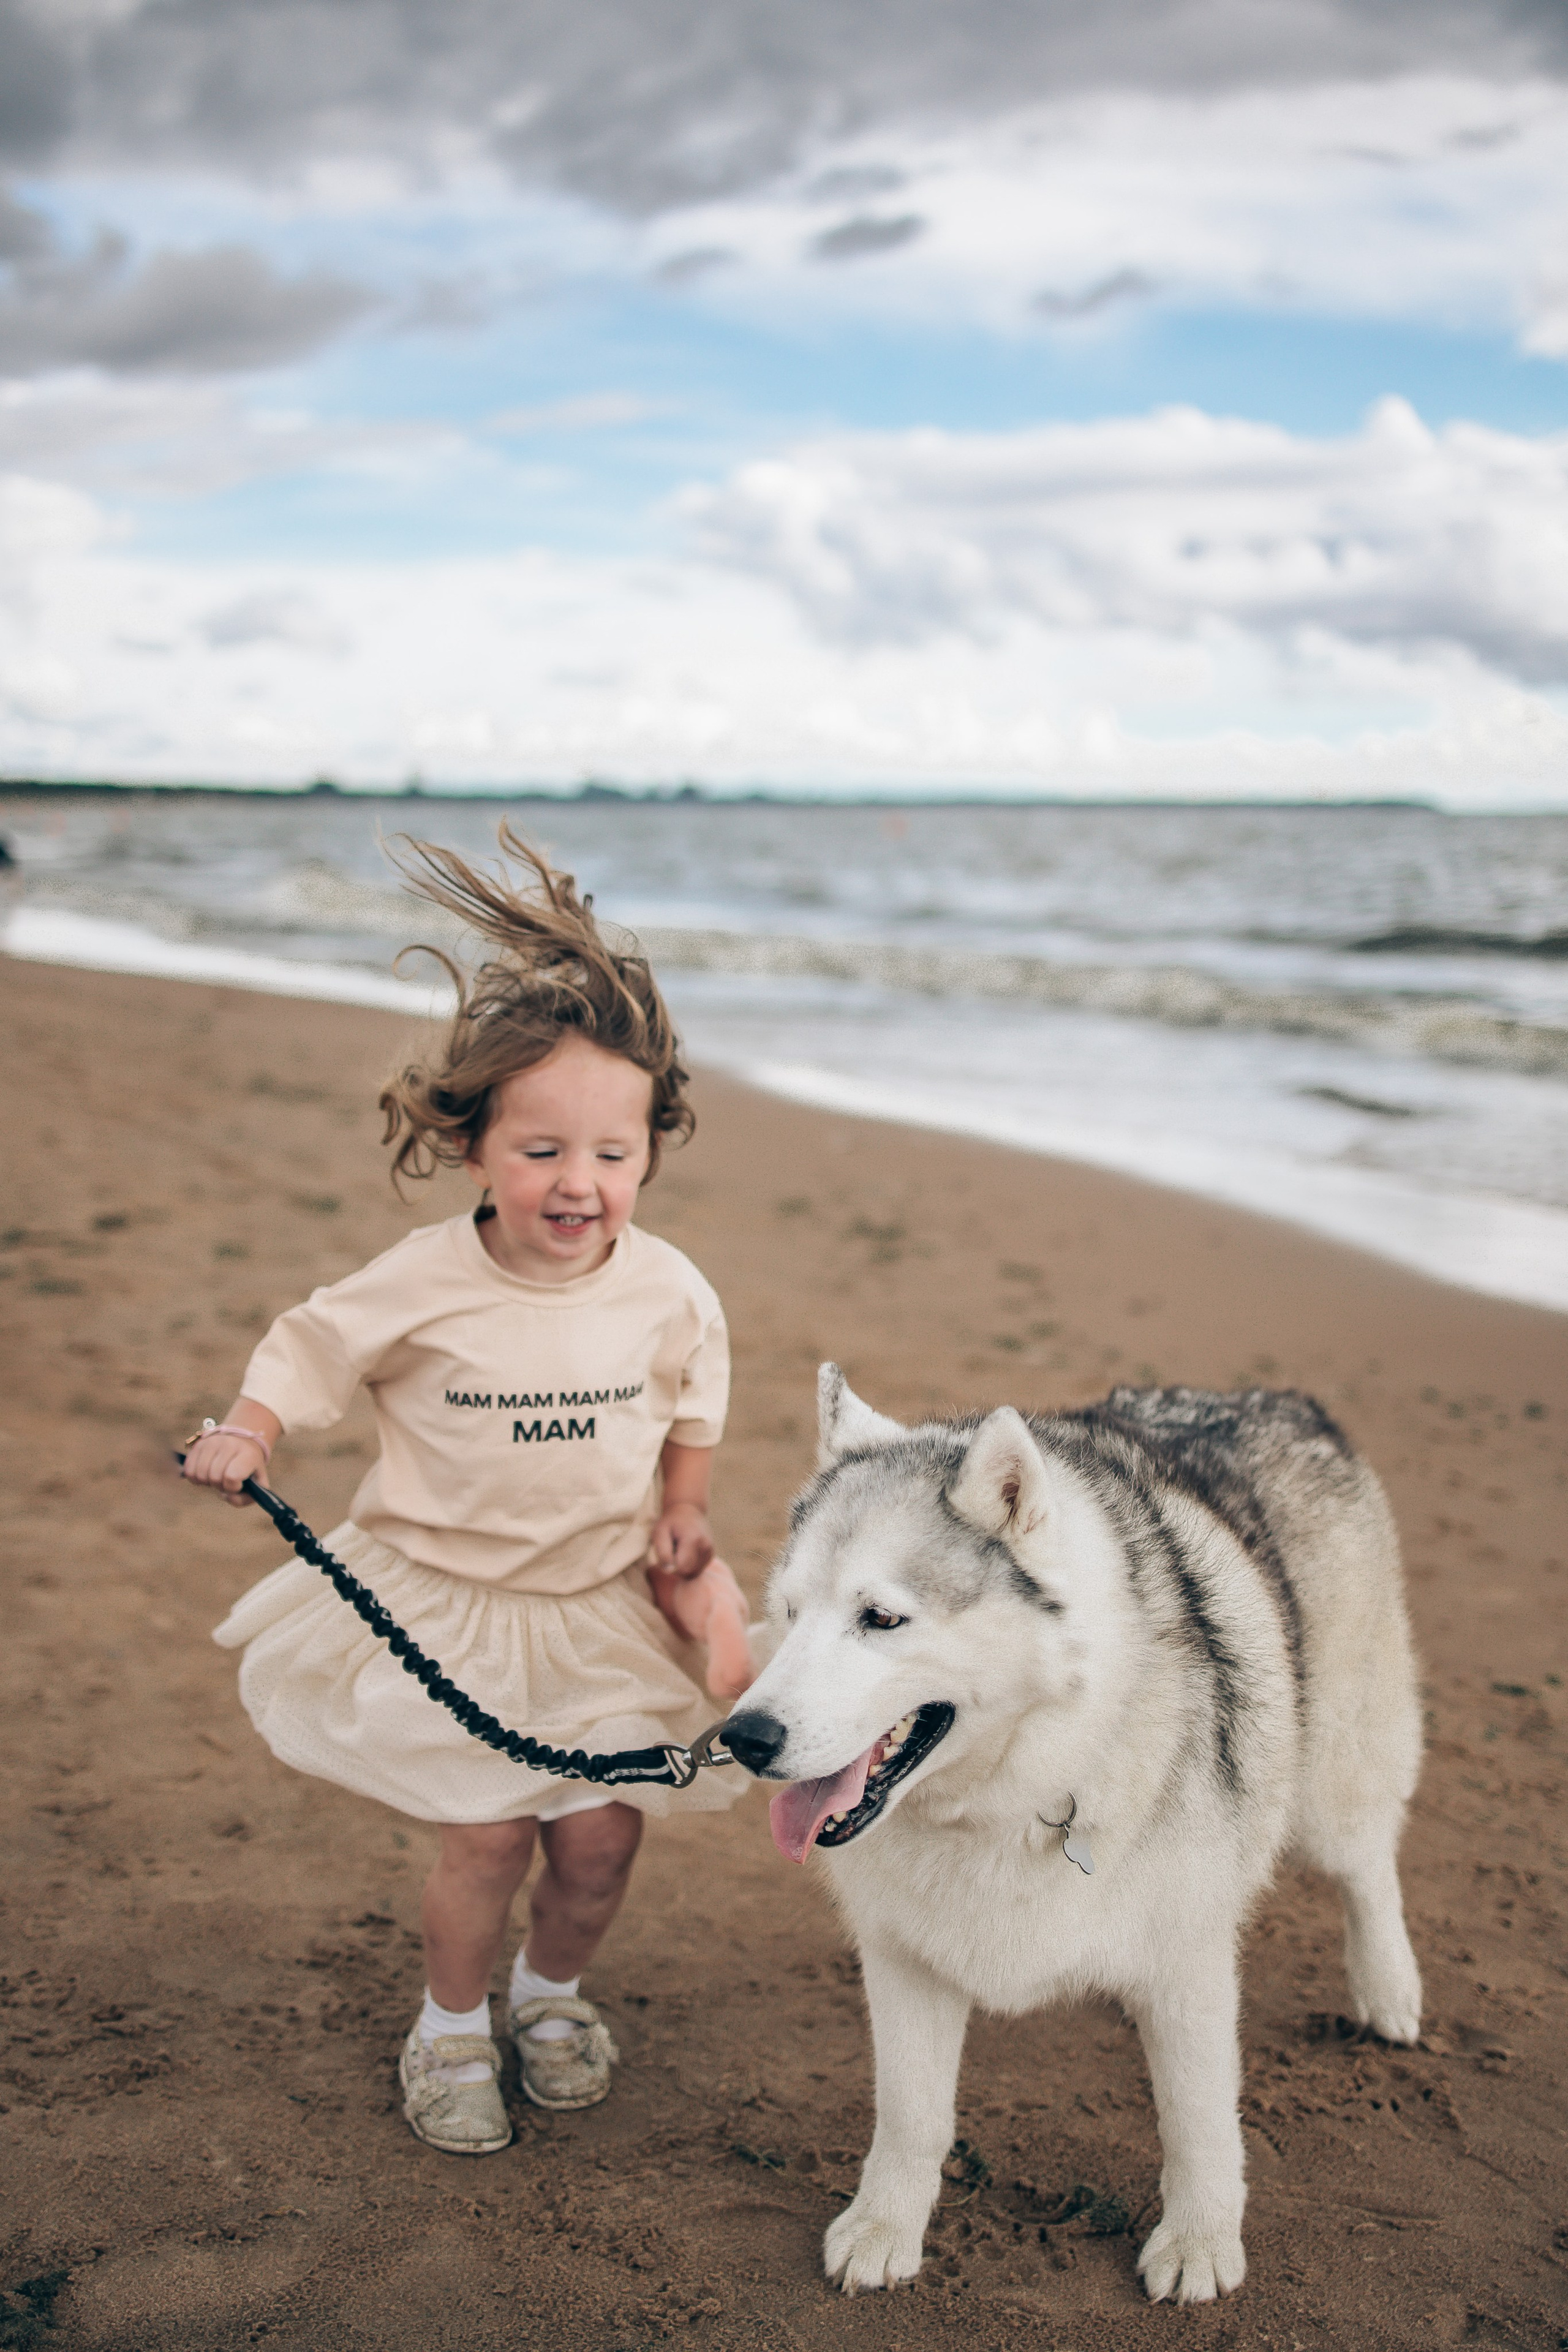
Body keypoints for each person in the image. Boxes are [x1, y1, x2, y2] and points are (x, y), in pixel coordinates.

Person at [182, 827, 753, 2157]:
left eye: (610, 1156)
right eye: (542, 1150)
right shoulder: (424, 1277)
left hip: (599, 1603)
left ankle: (548, 1998)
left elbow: (695, 1391)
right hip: (448, 1605)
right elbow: (312, 1344)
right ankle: (448, 2025)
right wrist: (252, 1429)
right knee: (488, 1839)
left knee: (603, 1841)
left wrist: (685, 1503)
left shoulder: (670, 1287)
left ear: (649, 1155)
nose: (578, 1183)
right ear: (477, 1147)